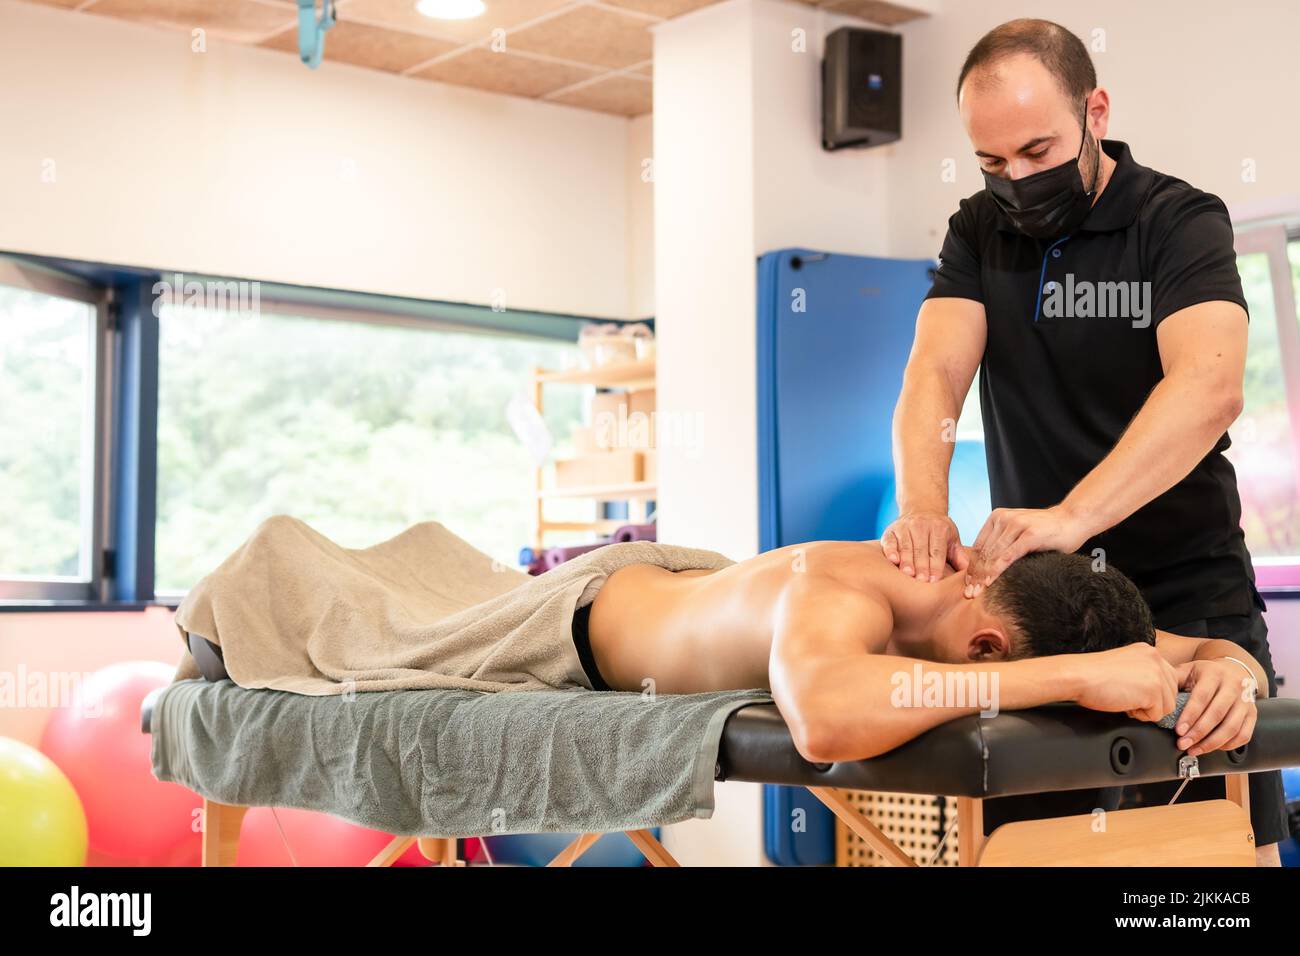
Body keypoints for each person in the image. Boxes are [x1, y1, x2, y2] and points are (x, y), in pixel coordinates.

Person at [882, 18, 1284, 862]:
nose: (1018, 181)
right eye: (993, 164)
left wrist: (1073, 515)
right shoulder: (977, 231)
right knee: (1045, 844)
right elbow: (934, 378)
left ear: (1094, 110)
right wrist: (923, 510)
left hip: (1187, 590)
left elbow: (1208, 388)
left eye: (1037, 151)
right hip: (1045, 610)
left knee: (1204, 855)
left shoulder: (1178, 222)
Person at [578, 539, 1265, 763]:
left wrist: (1227, 673)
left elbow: (1214, 648)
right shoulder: (839, 594)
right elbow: (822, 721)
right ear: (987, 646)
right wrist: (1072, 678)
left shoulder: (1021, 592)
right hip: (575, 616)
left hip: (700, 582)